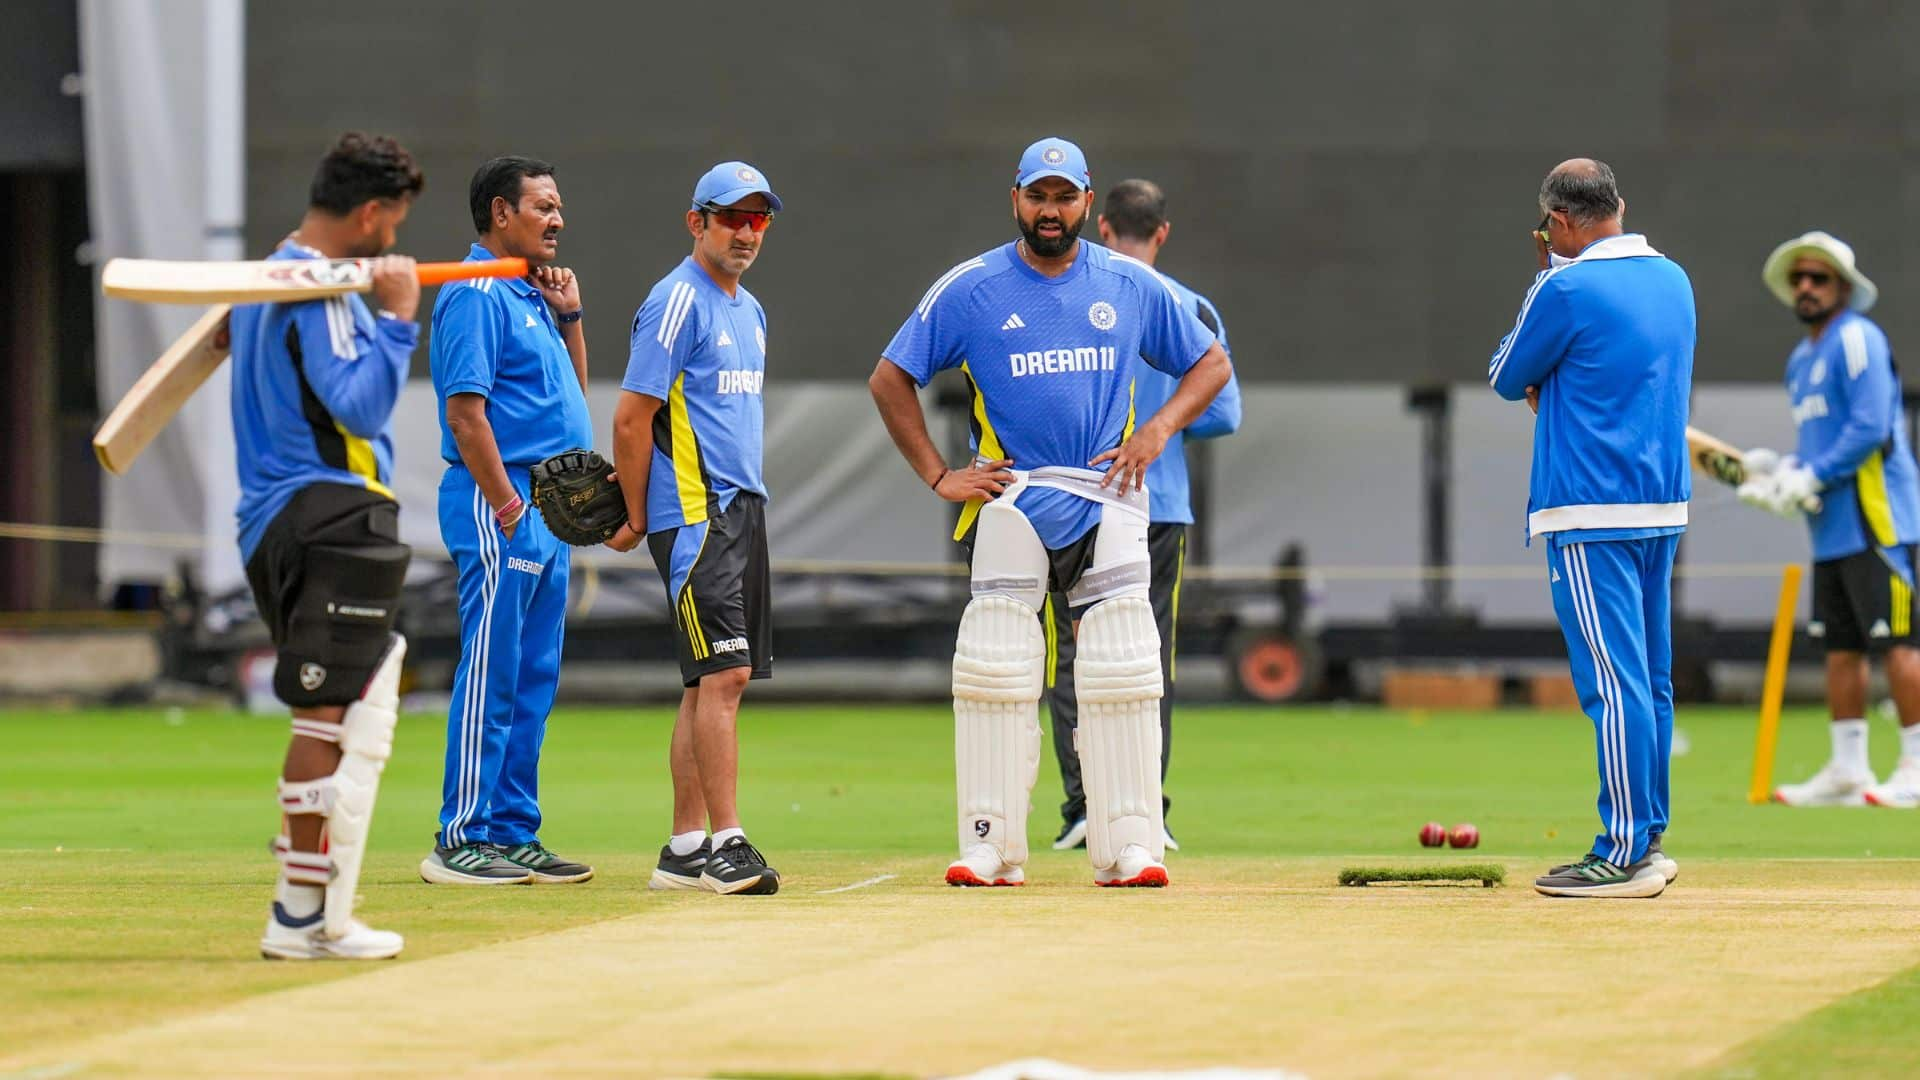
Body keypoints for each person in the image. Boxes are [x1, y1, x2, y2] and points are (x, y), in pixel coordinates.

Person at [869, 137, 1232, 888]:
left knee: (1123, 670)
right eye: (1038, 196)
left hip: (1108, 500)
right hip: (1016, 497)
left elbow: (1211, 362)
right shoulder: (970, 288)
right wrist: (940, 475)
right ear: (1016, 200)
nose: (1050, 211)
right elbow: (889, 378)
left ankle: (1131, 843)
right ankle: (989, 844)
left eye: (1065, 197)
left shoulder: (1130, 285)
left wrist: (1158, 432)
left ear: (1088, 204)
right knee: (996, 669)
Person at [237, 132, 422, 958]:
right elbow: (357, 405)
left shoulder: (264, 278)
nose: (394, 239)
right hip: (331, 510)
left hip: (272, 522)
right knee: (334, 707)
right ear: (372, 212)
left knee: (351, 695)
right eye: (395, 221)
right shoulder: (318, 288)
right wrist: (397, 320)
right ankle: (301, 917)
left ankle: (316, 911)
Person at [1488, 158, 1690, 898]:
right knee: (1651, 683)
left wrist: (1545, 279)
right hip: (1662, 503)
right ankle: (1652, 836)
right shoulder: (1674, 278)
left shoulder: (1564, 284)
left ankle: (1624, 851)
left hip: (1589, 505)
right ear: (1620, 206)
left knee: (1613, 684)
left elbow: (1508, 374)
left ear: (1560, 223)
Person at [1046, 178, 1242, 852]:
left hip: (1075, 502)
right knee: (1148, 658)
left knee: (1070, 657)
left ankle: (1082, 806)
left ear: (1101, 226)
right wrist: (1164, 427)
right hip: (1159, 505)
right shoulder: (1189, 306)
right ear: (1162, 232)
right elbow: (1225, 411)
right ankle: (1143, 809)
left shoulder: (1074, 295)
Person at [421, 156, 596, 886]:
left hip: (543, 506)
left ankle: (512, 831)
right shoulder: (475, 293)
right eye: (543, 207)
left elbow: (574, 402)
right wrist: (506, 504)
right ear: (500, 213)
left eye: (558, 207)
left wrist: (573, 318)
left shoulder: (530, 297)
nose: (557, 220)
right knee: (492, 668)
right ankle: (459, 839)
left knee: (533, 675)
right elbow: (467, 415)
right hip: (502, 501)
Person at [611, 161, 783, 896]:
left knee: (703, 681)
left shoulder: (749, 310)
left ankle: (684, 849)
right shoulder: (676, 301)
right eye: (730, 217)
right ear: (696, 222)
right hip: (694, 511)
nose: (744, 232)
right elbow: (630, 416)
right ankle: (727, 842)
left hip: (741, 506)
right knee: (727, 673)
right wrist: (635, 511)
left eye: (757, 219)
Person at [1738, 232, 1920, 808]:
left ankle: (1916, 765)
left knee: (1899, 643)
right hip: (1830, 532)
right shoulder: (1801, 359)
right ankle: (1848, 769)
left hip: (1878, 521)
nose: (1807, 287)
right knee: (1841, 648)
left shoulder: (1857, 339)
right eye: (1799, 279)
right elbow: (1822, 437)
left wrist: (1810, 476)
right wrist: (1785, 471)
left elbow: (1869, 428)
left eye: (1819, 278)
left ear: (1843, 286)